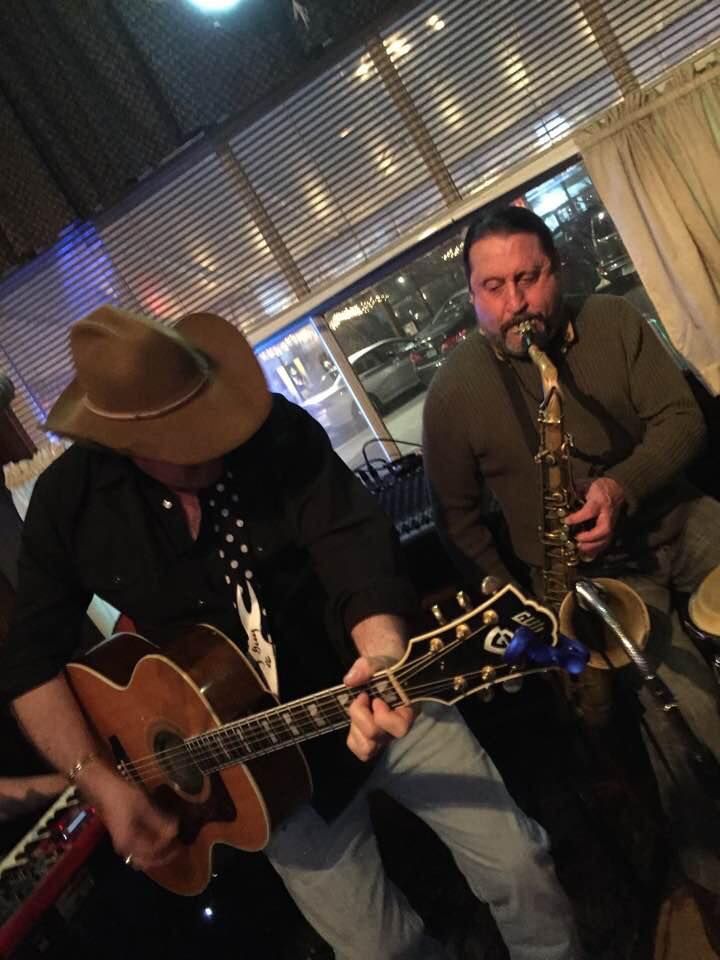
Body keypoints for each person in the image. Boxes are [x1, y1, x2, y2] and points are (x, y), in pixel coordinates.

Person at [0, 305, 581, 960]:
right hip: (256, 778)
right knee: (379, 951)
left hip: (370, 689)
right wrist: (100, 784)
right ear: (125, 443)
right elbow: (29, 666)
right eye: (184, 441)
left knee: (519, 866)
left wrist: (383, 657)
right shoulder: (70, 504)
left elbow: (355, 549)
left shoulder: (274, 431)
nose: (212, 441)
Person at [422, 204, 720, 936]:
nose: (515, 304)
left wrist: (621, 487)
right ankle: (712, 883)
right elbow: (456, 520)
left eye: (528, 279)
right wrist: (522, 604)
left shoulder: (612, 319)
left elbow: (682, 420)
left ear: (557, 273)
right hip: (597, 581)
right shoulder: (454, 391)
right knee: (685, 714)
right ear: (472, 294)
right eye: (493, 287)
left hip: (678, 521)